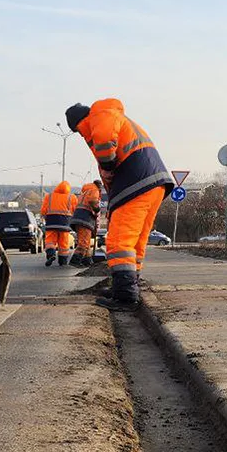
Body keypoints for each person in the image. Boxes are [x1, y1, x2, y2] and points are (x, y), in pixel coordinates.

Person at [65, 100, 173, 311]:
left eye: (77, 131)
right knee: (136, 242)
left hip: (137, 181)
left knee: (118, 240)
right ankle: (128, 285)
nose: (81, 135)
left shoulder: (101, 116)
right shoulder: (116, 119)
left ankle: (125, 295)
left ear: (79, 123)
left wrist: (107, 164)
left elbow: (105, 147)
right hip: (154, 183)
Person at [40, 181, 77, 267]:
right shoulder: (72, 197)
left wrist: (45, 217)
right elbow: (75, 210)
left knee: (50, 241)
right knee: (63, 243)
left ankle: (51, 254)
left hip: (51, 223)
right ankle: (62, 261)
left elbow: (43, 211)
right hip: (65, 224)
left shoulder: (49, 197)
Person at [70, 179, 103, 267]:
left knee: (86, 243)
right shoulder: (94, 190)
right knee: (84, 242)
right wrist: (97, 209)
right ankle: (75, 261)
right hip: (85, 218)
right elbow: (92, 201)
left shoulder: (85, 192)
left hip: (79, 218)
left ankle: (87, 261)